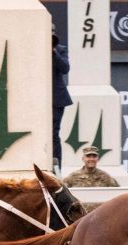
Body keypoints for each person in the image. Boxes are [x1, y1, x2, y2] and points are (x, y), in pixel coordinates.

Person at [52, 23, 72, 174]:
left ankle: (57, 165)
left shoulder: (60, 49)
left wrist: (53, 52)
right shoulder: (34, 46)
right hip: (39, 98)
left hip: (57, 97)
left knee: (54, 133)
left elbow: (65, 68)